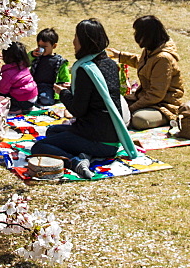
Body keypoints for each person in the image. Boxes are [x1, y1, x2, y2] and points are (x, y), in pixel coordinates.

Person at [30, 19, 137, 179]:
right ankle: (86, 154)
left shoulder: (86, 69)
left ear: (85, 41)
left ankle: (76, 162)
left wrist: (63, 93)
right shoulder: (109, 63)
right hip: (112, 138)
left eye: (76, 37)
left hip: (96, 138)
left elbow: (77, 110)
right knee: (52, 131)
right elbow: (94, 97)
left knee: (40, 146)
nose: (73, 42)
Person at [108, 15, 184, 130]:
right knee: (112, 107)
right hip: (146, 99)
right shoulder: (150, 50)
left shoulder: (164, 58)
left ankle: (167, 120)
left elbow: (156, 94)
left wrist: (132, 108)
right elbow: (143, 63)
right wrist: (120, 56)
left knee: (139, 120)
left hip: (164, 105)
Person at [29, 28, 71, 107]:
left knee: (45, 99)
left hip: (49, 87)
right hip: (34, 85)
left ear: (54, 46)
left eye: (44, 47)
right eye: (39, 46)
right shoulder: (36, 57)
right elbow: (26, 62)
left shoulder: (59, 61)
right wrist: (32, 54)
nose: (41, 49)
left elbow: (65, 78)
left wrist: (63, 89)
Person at [0, 42, 38, 114]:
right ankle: (25, 107)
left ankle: (15, 108)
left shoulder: (9, 72)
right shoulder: (24, 65)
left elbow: (2, 90)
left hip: (23, 101)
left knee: (1, 96)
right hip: (33, 98)